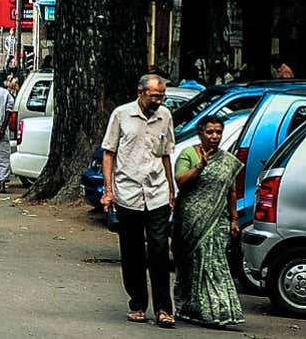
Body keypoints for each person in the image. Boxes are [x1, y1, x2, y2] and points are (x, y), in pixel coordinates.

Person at [101, 73, 178, 328]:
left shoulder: (165, 116)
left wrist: (171, 189)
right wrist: (108, 190)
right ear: (140, 92)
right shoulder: (122, 115)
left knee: (158, 249)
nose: (159, 100)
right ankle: (137, 303)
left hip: (156, 192)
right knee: (132, 251)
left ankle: (164, 309)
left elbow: (166, 153)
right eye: (155, 95)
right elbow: (109, 153)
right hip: (128, 193)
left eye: (162, 96)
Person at [172, 114, 243, 328]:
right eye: (209, 132)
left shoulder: (227, 160)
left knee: (214, 264)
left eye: (218, 132)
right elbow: (180, 182)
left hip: (218, 221)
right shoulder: (188, 154)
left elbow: (231, 191)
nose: (214, 136)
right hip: (191, 220)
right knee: (191, 265)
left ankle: (218, 311)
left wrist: (234, 219)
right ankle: (189, 308)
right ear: (200, 133)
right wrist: (200, 166)